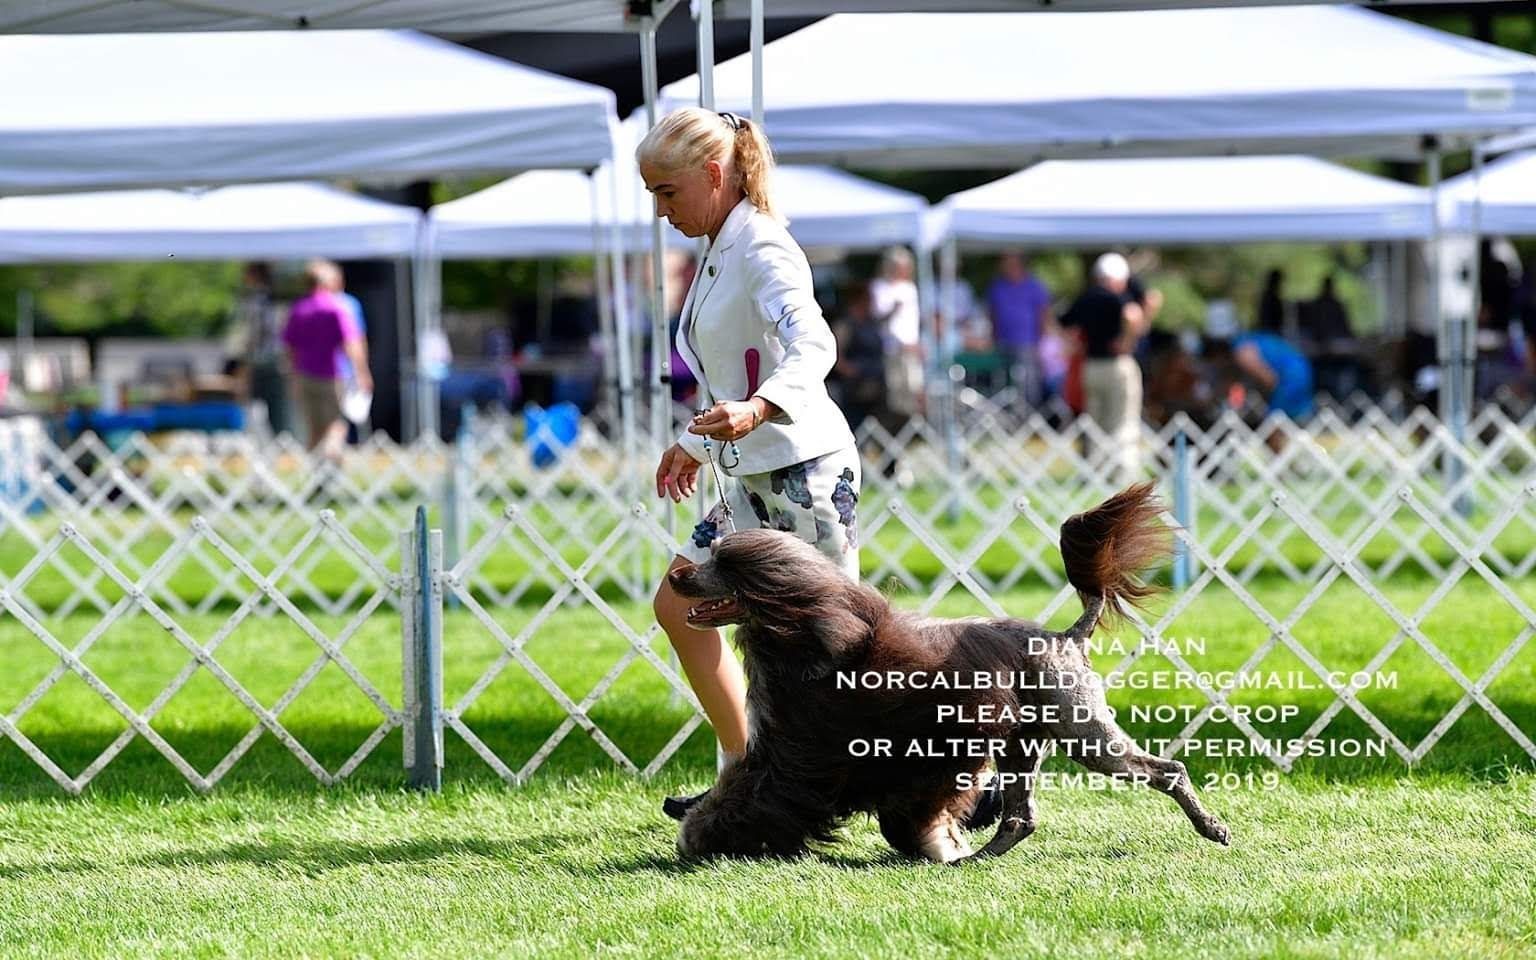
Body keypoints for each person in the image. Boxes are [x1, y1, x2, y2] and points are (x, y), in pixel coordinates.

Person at [637, 107, 861, 822]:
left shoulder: (763, 247)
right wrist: (699, 443)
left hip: (805, 473)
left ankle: (941, 778)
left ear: (712, 175)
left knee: (839, 652)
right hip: (751, 475)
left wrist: (758, 410)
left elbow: (813, 349)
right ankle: (744, 773)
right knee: (678, 603)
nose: (660, 210)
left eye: (667, 192)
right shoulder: (716, 246)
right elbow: (736, 369)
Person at [1059, 253, 1147, 482]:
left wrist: (1073, 345)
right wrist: (1127, 342)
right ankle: (1124, 474)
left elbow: (1062, 323)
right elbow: (1133, 315)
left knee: (1095, 422)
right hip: (1117, 364)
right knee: (1122, 420)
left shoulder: (1085, 298)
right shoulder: (1118, 298)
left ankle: (1095, 472)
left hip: (1091, 367)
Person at [281, 259, 373, 460]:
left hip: (305, 375)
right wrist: (362, 372)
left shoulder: (299, 308)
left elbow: (289, 347)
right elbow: (352, 343)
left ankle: (315, 476)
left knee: (314, 428)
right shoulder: (338, 308)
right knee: (336, 426)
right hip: (334, 375)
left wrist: (293, 376)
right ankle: (330, 471)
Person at [1207, 329, 1314, 452]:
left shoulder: (1242, 353)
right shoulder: (1244, 342)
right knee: (1291, 422)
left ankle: (1279, 463)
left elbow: (1269, 379)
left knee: (1273, 425)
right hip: (1299, 369)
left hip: (1291, 378)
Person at [228, 262, 290, 436]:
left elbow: (249, 336)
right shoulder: (276, 299)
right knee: (276, 411)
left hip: (261, 360)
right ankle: (279, 442)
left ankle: (262, 443)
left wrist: (241, 364)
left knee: (253, 407)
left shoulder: (253, 301)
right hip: (275, 360)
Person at [986, 250, 1053, 408]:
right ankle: (1010, 414)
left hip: (1027, 342)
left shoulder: (1035, 286)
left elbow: (1044, 314)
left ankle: (1029, 414)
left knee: (1028, 382)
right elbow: (992, 314)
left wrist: (1040, 340)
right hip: (1003, 342)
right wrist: (993, 337)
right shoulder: (997, 287)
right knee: (1004, 380)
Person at [870, 246, 923, 418]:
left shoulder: (910, 288)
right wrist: (893, 310)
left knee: (915, 388)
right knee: (896, 393)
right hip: (891, 349)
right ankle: (898, 428)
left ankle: (913, 427)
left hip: (911, 348)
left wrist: (915, 343)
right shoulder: (879, 287)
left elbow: (914, 321)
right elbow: (878, 318)